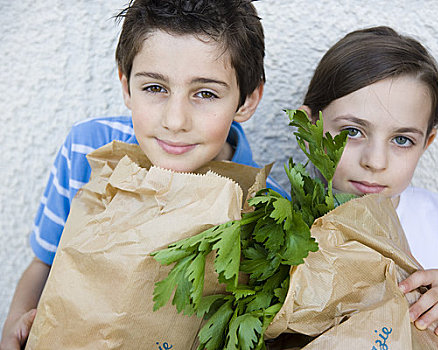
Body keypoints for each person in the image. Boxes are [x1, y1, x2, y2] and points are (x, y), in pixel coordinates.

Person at [0, 1, 287, 348]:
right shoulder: (88, 149)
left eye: (206, 93)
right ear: (126, 85)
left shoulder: (267, 207)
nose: (175, 121)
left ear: (247, 100)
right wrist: (14, 325)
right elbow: (44, 263)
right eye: (155, 88)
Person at [300, 26, 438, 349]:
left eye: (402, 140)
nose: (375, 161)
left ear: (427, 142)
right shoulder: (280, 227)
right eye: (352, 131)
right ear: (309, 128)